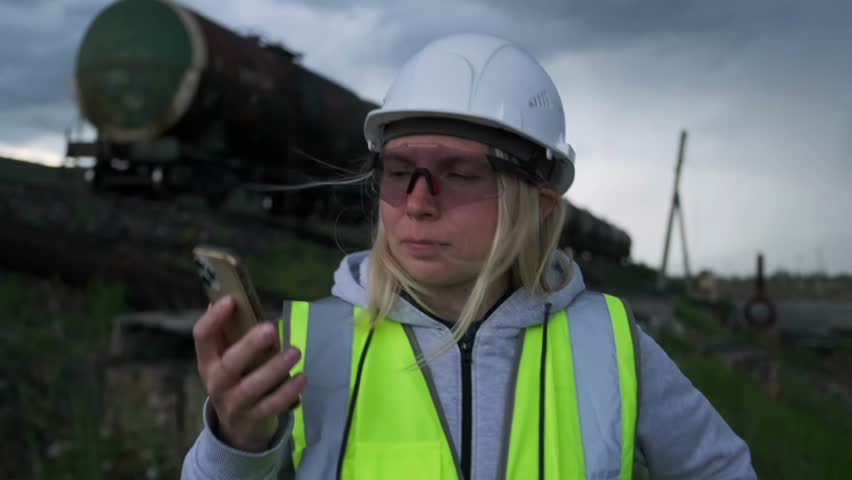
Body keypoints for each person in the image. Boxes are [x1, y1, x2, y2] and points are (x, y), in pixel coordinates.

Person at [181, 33, 757, 479]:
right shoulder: (307, 348)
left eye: (459, 174)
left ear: (538, 203)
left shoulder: (608, 344)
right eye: (401, 171)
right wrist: (237, 443)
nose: (418, 203)